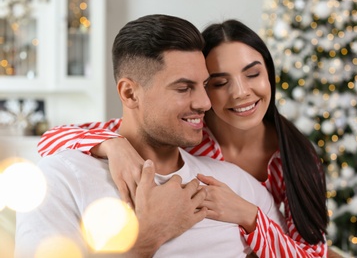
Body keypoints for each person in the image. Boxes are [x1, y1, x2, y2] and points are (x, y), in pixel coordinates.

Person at [36, 19, 329, 257]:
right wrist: (113, 145)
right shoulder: (186, 134)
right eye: (219, 82)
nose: (240, 92)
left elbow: (314, 252)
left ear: (269, 75)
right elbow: (52, 140)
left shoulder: (294, 159)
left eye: (253, 74)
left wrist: (249, 216)